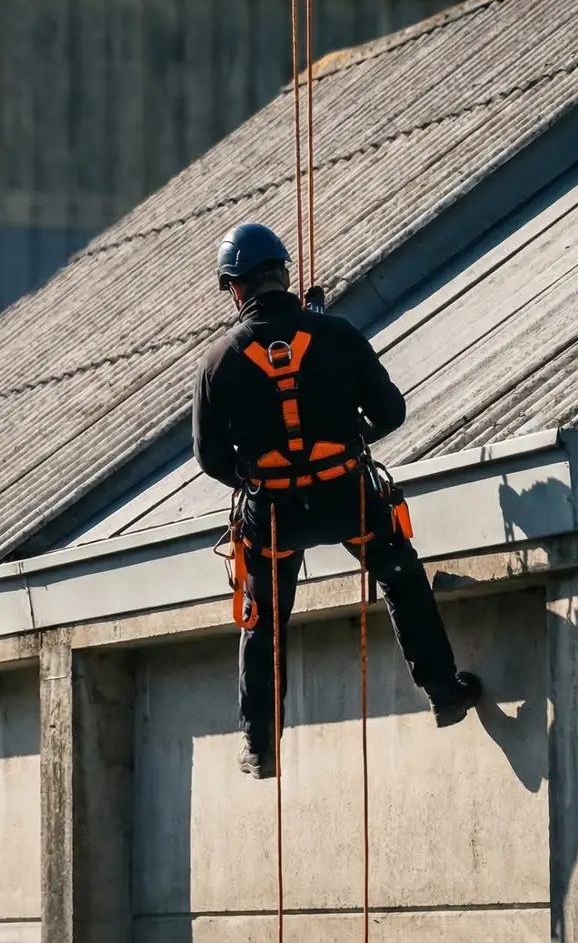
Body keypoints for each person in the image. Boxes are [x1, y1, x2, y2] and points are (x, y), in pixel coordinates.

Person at [192, 222, 482, 780]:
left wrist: (261, 477)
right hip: (347, 498)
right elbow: (391, 413)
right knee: (399, 578)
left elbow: (209, 458)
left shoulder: (217, 361)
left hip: (273, 514)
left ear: (235, 288)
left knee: (265, 619)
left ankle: (260, 746)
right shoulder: (338, 334)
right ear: (282, 274)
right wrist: (343, 446)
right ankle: (444, 693)